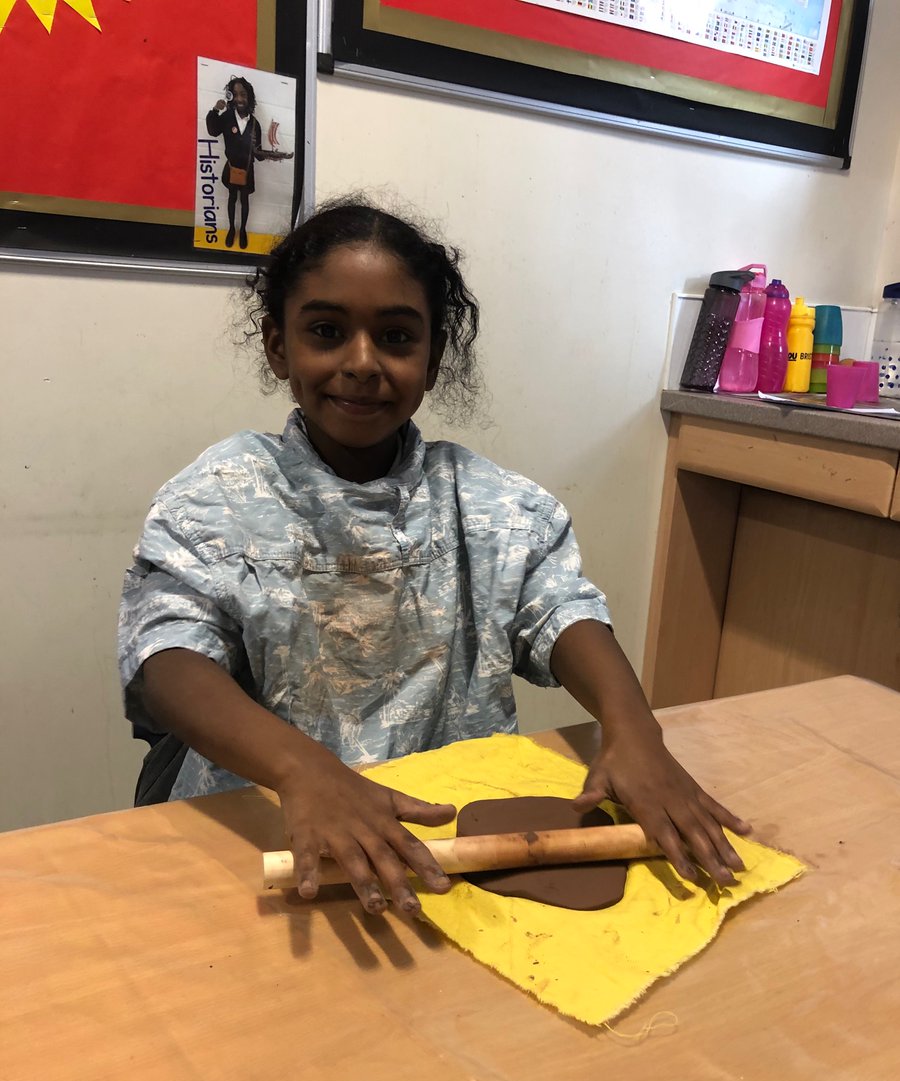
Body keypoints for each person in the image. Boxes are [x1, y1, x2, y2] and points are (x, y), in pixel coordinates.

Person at [118, 199, 751, 916]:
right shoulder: (218, 496)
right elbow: (167, 658)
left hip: (449, 844)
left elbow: (560, 608)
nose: (362, 362)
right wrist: (302, 771)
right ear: (278, 346)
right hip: (276, 837)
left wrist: (635, 729)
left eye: (395, 337)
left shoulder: (488, 501)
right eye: (326, 332)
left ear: (432, 357)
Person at [205, 77, 292, 250]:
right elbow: (213, 131)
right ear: (230, 96)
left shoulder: (255, 124)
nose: (239, 99)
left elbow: (257, 153)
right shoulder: (227, 117)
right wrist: (215, 110)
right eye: (235, 94)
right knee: (231, 198)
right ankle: (231, 229)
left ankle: (243, 229)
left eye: (243, 94)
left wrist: (275, 155)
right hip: (231, 167)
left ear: (249, 97)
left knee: (244, 200)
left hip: (247, 169)